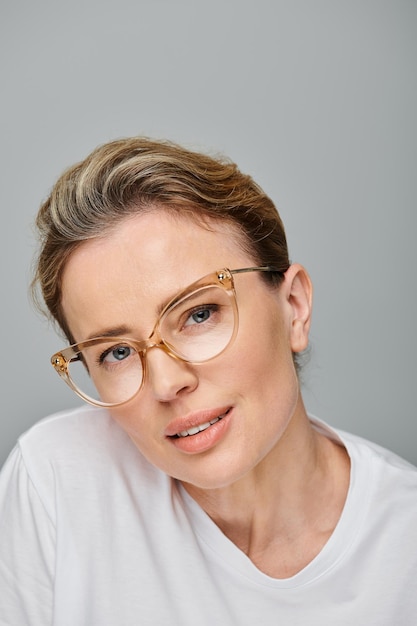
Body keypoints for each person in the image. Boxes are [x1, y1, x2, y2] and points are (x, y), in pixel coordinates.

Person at [0, 137, 416, 626]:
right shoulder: (58, 480)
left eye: (199, 314)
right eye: (116, 352)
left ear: (294, 309)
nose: (167, 382)